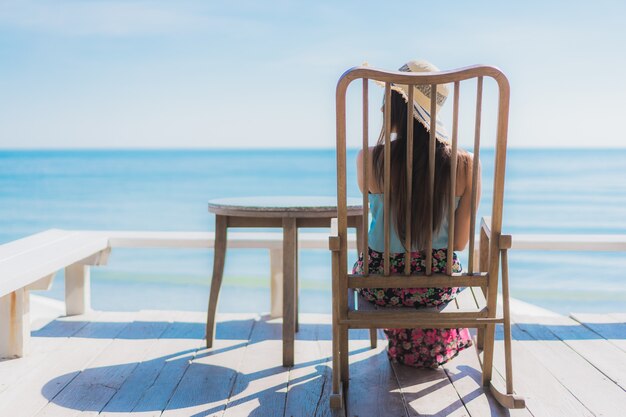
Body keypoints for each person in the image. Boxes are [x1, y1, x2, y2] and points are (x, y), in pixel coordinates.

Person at [353, 60, 481, 368]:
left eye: (388, 99)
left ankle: (407, 344)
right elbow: (460, 243)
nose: (382, 110)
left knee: (373, 260)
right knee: (439, 271)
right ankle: (421, 345)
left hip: (381, 284)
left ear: (401, 105)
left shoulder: (369, 160)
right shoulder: (465, 164)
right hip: (436, 287)